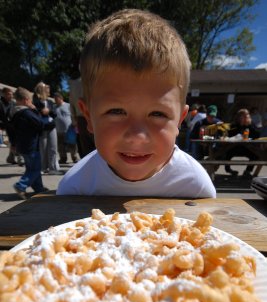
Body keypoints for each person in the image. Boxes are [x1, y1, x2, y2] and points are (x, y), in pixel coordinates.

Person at [57, 9, 215, 198]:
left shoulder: (195, 187)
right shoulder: (75, 187)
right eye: (116, 111)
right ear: (89, 116)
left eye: (158, 114)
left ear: (180, 120)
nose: (137, 136)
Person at [11, 87, 52, 199]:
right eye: (30, 100)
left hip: (22, 146)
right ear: (25, 100)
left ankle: (38, 188)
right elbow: (39, 124)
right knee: (35, 169)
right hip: (31, 146)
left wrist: (13, 144)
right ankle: (20, 185)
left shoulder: (16, 112)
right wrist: (52, 124)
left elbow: (12, 130)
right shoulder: (27, 113)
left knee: (32, 168)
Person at [33, 82, 61, 174]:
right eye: (46, 87)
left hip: (51, 126)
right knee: (43, 148)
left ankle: (53, 168)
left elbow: (54, 114)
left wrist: (48, 111)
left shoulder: (49, 102)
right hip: (42, 127)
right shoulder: (36, 100)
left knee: (53, 148)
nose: (48, 88)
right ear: (41, 89)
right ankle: (42, 168)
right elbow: (35, 110)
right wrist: (41, 110)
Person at [224, 108, 261, 176]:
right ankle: (228, 169)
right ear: (239, 116)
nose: (245, 117)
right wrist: (240, 126)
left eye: (247, 116)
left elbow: (257, 134)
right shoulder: (234, 124)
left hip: (247, 148)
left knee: (256, 155)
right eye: (243, 116)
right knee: (226, 153)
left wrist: (248, 126)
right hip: (234, 147)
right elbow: (229, 134)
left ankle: (248, 171)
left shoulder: (251, 124)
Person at [69, 76, 96, 158]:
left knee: (86, 148)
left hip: (80, 119)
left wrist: (74, 122)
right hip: (95, 117)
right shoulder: (94, 80)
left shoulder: (73, 84)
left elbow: (71, 105)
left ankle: (89, 169)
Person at [0, 87, 23, 164]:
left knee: (14, 141)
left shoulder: (12, 103)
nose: (11, 96)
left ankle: (11, 157)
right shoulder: (1, 103)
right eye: (9, 94)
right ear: (4, 94)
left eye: (12, 94)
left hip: (11, 124)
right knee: (14, 141)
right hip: (4, 124)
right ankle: (20, 158)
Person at [54, 92, 78, 164]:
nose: (55, 100)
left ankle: (74, 158)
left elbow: (74, 114)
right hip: (58, 130)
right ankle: (63, 158)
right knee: (61, 146)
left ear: (61, 98)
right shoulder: (54, 107)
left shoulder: (68, 105)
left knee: (72, 145)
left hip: (69, 129)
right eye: (55, 99)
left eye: (56, 99)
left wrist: (75, 124)